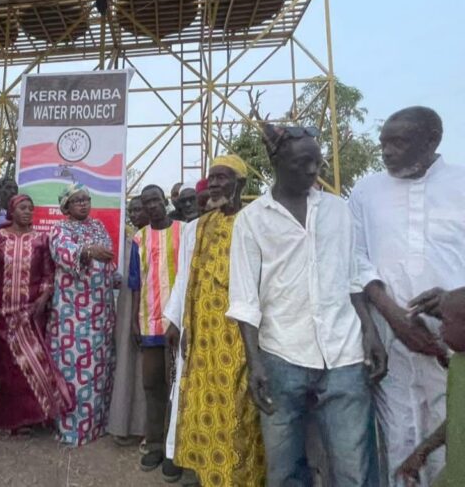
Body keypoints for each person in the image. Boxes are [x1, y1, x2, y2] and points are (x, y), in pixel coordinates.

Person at [227, 124, 386, 486]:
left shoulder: (337, 210)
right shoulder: (252, 221)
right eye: (303, 163)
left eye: (317, 162)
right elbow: (244, 300)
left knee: (354, 467)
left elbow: (352, 278)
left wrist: (370, 332)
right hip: (282, 354)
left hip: (344, 353)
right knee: (284, 471)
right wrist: (255, 364)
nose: (314, 171)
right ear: (276, 163)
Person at [349, 106, 465, 486]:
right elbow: (355, 256)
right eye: (383, 143)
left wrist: (452, 300)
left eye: (397, 142)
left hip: (453, 341)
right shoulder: (367, 191)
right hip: (390, 337)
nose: (386, 151)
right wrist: (394, 315)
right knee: (398, 435)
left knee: (453, 435)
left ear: (432, 140)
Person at [163, 155, 266, 486]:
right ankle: (207, 472)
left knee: (239, 408)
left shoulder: (255, 222)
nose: (216, 184)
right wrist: (175, 321)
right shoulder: (197, 226)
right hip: (202, 334)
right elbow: (183, 278)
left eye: (224, 177)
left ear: (242, 184)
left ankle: (238, 478)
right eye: (213, 178)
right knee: (200, 404)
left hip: (241, 334)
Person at [0, 194, 73, 434]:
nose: (27, 212)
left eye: (31, 209)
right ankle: (5, 420)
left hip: (29, 315)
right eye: (22, 208)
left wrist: (42, 300)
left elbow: (47, 274)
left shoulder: (40, 240)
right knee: (4, 368)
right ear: (12, 210)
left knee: (31, 364)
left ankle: (31, 417)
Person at [48, 183, 116, 446]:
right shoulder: (59, 228)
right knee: (73, 370)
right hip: (72, 314)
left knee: (98, 369)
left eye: (86, 199)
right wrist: (87, 252)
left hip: (100, 312)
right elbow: (62, 254)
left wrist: (113, 276)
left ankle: (97, 424)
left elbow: (107, 259)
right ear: (66, 206)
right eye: (77, 201)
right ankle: (73, 430)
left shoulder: (98, 226)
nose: (83, 204)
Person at [129, 184, 183, 482]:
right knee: (152, 385)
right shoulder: (138, 238)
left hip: (179, 324)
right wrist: (135, 321)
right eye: (146, 202)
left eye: (155, 201)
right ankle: (155, 444)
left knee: (178, 386)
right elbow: (136, 283)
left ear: (165, 202)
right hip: (150, 323)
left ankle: (177, 450)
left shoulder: (184, 232)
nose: (151, 207)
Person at [397, 287, 465, 486]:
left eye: (445, 322)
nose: (440, 328)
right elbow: (456, 420)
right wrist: (424, 450)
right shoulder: (458, 363)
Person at [108, 196, 149, 445]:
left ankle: (145, 428)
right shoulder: (127, 242)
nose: (134, 213)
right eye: (131, 210)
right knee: (126, 364)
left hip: (152, 312)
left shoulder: (160, 238)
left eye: (139, 208)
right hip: (127, 312)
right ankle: (123, 424)